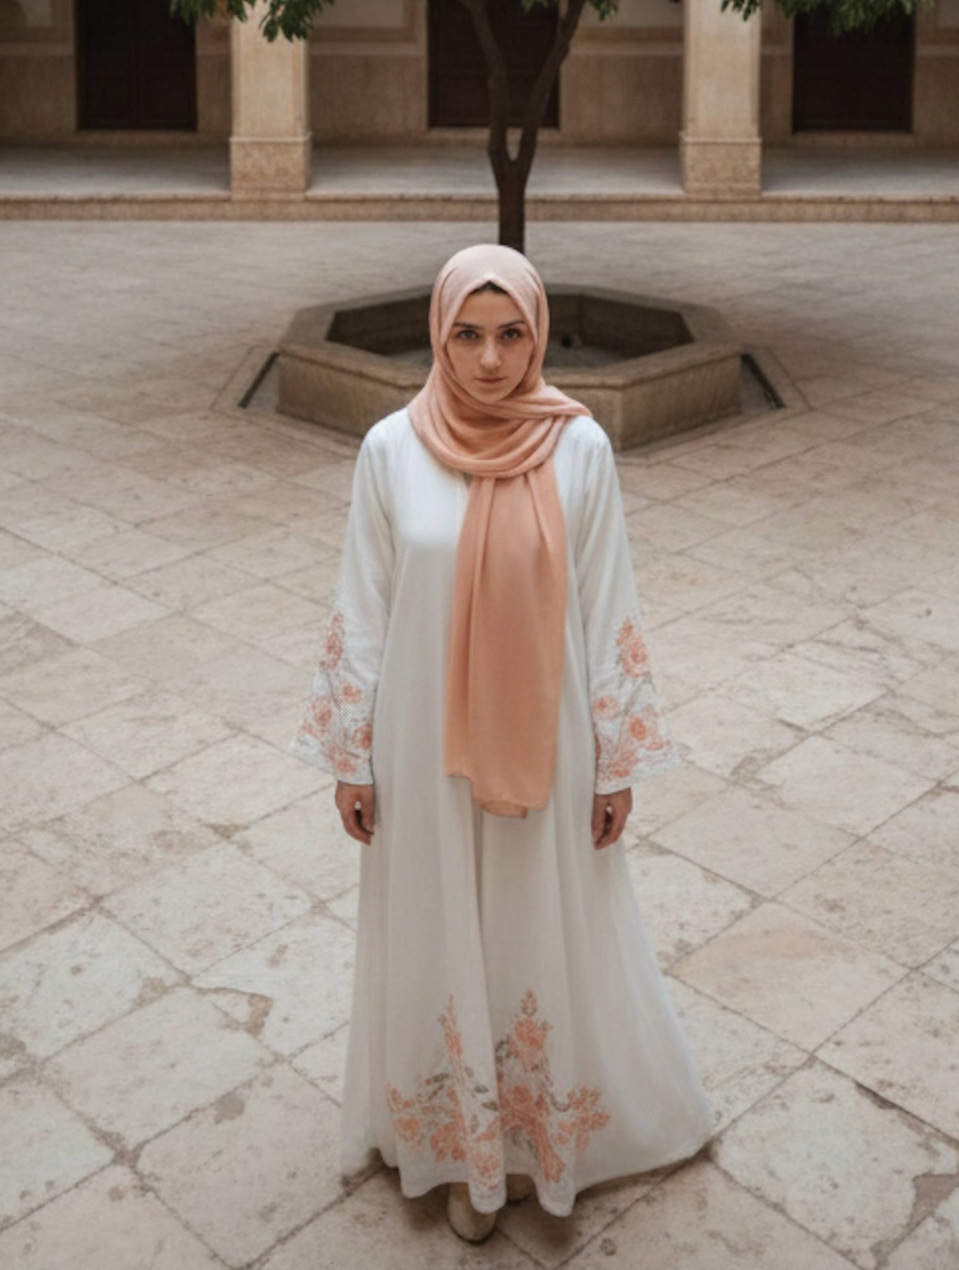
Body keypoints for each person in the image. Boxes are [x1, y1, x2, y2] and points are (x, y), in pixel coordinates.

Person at [290, 242, 716, 1243]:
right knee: (439, 921)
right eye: (467, 333)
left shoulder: (580, 450)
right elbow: (363, 603)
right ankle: (458, 1152)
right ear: (439, 334)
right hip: (418, 741)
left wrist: (615, 760)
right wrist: (351, 752)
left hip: (547, 736)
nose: (487, 358)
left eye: (510, 332)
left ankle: (529, 1144)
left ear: (538, 332)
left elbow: (609, 605)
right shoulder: (391, 448)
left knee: (533, 921)